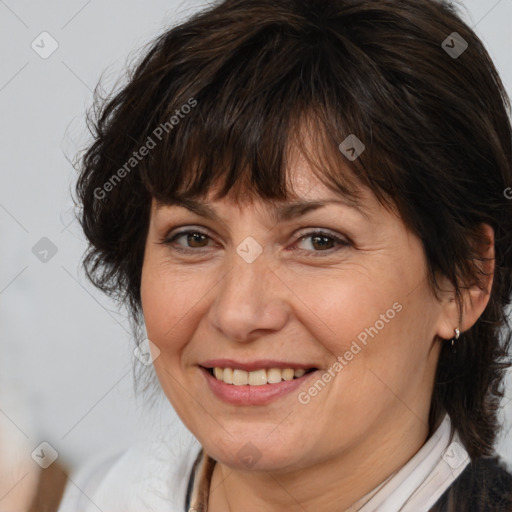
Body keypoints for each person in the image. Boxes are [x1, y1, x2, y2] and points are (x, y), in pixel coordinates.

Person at [58, 0, 512, 510]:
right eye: (194, 238)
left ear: (464, 278)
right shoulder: (103, 494)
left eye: (319, 240)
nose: (238, 314)